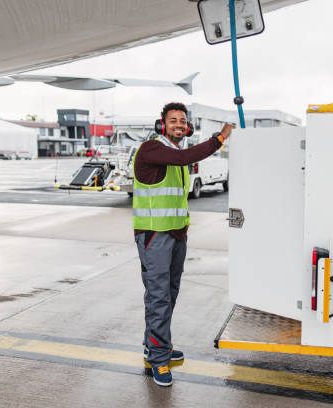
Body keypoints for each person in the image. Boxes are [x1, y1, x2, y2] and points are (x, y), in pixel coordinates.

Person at [133, 102, 233, 387]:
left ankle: (153, 346)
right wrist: (220, 137)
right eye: (173, 120)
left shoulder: (175, 154)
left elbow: (176, 197)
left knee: (169, 293)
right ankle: (159, 360)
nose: (179, 124)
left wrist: (184, 227)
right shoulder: (152, 148)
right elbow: (191, 154)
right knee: (158, 297)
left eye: (182, 120)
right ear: (161, 124)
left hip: (176, 234)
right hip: (154, 235)